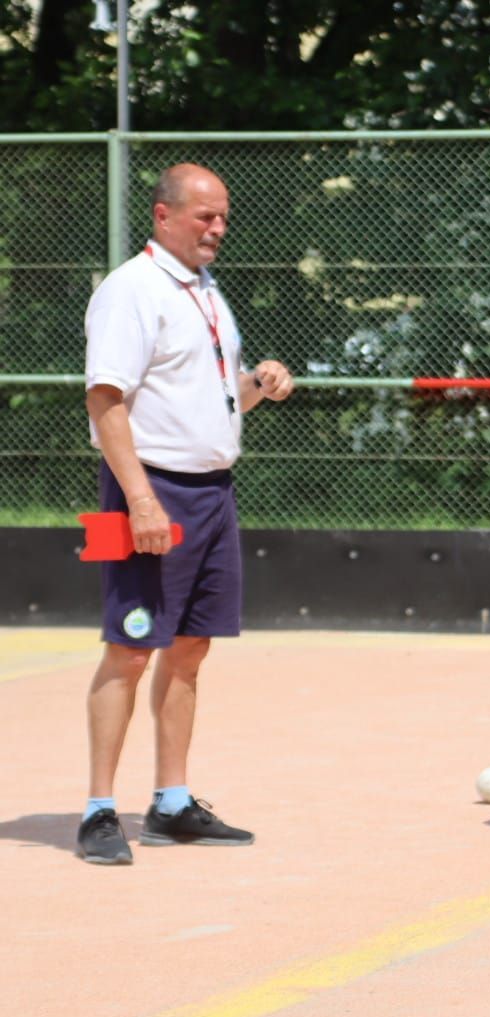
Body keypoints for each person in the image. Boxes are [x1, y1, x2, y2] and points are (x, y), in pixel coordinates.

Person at [76, 163, 294, 866]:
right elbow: (106, 400)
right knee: (131, 647)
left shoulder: (203, 291)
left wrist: (258, 384)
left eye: (223, 216)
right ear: (163, 215)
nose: (218, 229)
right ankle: (98, 810)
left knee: (191, 648)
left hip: (213, 492)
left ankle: (171, 803)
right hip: (151, 493)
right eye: (205, 216)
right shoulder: (131, 290)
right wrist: (140, 498)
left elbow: (211, 399)